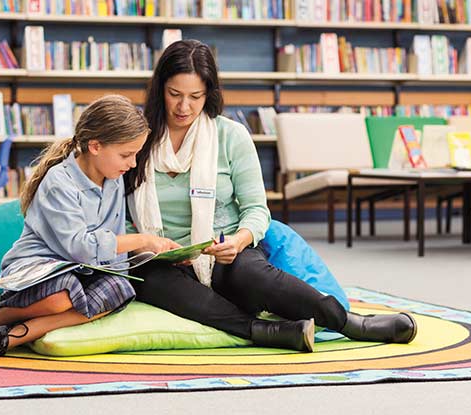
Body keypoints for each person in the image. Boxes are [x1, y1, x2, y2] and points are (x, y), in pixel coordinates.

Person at [124, 40, 417, 352]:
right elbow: (121, 216)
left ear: (209, 94)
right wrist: (150, 245)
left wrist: (238, 240)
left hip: (222, 250)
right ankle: (261, 330)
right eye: (175, 94)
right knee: (149, 282)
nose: (184, 107)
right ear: (160, 90)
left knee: (254, 275)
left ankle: (349, 322)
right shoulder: (136, 137)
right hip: (158, 259)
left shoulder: (230, 136)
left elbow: (256, 210)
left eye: (195, 96)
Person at [0, 95, 179, 361]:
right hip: (37, 271)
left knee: (120, 289)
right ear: (95, 146)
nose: (132, 164)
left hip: (80, 272)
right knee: (63, 296)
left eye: (135, 155)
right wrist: (141, 241)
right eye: (126, 155)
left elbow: (110, 249)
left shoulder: (113, 180)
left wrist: (139, 263)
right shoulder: (60, 181)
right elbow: (80, 247)